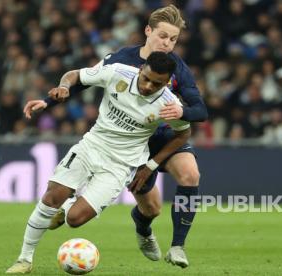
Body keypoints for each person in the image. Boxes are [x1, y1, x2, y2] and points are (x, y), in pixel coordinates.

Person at [43, 4, 207, 268]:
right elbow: (83, 81)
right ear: (148, 31)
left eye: (173, 39)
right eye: (163, 36)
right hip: (130, 143)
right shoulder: (121, 59)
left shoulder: (177, 68)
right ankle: (143, 229)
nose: (167, 44)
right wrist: (46, 102)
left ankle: (177, 247)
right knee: (151, 209)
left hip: (165, 137)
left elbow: (200, 110)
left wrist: (182, 110)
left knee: (191, 174)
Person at [6, 52, 191, 274]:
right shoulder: (117, 72)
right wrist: (64, 86)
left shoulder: (169, 104)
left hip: (121, 166)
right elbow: (74, 75)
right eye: (147, 78)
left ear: (168, 82)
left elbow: (183, 134)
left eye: (157, 83)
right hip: (91, 146)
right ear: (141, 68)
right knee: (51, 197)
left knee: (75, 219)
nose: (149, 86)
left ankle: (67, 207)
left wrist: (152, 164)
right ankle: (24, 260)